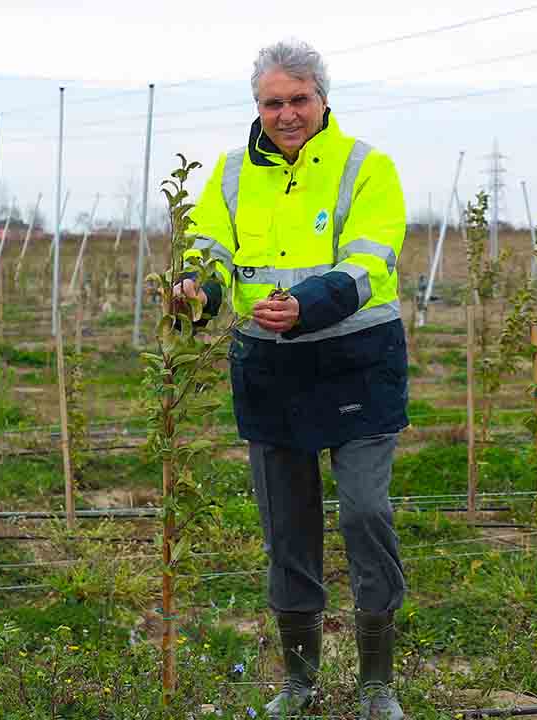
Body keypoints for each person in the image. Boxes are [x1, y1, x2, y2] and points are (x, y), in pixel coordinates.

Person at [173, 39, 409, 720]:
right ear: (257, 106)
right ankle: (301, 683)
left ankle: (377, 685)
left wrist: (309, 305)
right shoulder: (227, 175)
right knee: (288, 530)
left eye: (298, 99)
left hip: (356, 361)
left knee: (366, 512)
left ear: (323, 99)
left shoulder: (367, 168)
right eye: (273, 102)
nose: (286, 114)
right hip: (269, 369)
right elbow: (209, 254)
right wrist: (196, 291)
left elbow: (369, 259)